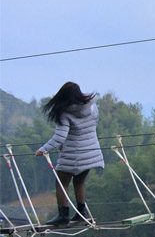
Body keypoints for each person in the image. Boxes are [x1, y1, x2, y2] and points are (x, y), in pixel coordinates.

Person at [34, 82, 104, 227]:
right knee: (79, 182)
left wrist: (43, 149)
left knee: (61, 183)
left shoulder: (65, 113)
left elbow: (60, 136)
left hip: (74, 155)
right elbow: (93, 125)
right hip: (91, 153)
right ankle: (81, 214)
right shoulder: (92, 107)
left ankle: (63, 216)